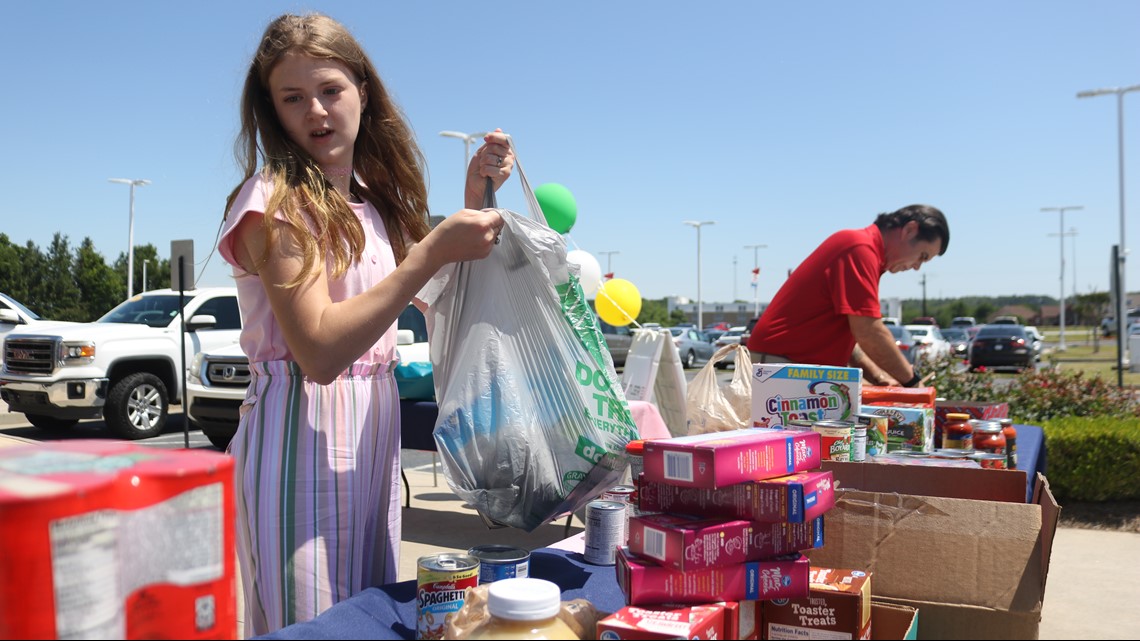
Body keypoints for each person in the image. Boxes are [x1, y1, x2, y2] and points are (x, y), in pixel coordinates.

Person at [217, 13, 514, 635]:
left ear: (363, 91)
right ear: (272, 110)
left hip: (370, 442)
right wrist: (429, 251)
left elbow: (441, 300)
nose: (315, 111)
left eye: (330, 90)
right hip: (298, 439)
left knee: (371, 618)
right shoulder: (272, 201)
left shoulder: (373, 203)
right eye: (292, 97)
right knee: (315, 625)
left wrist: (475, 198)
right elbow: (320, 351)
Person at [746, 205, 949, 387]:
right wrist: (912, 382)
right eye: (922, 256)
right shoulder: (860, 248)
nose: (917, 267)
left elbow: (851, 334)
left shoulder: (864, 249)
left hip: (789, 365)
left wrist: (878, 376)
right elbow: (869, 331)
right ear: (909, 230)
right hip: (782, 365)